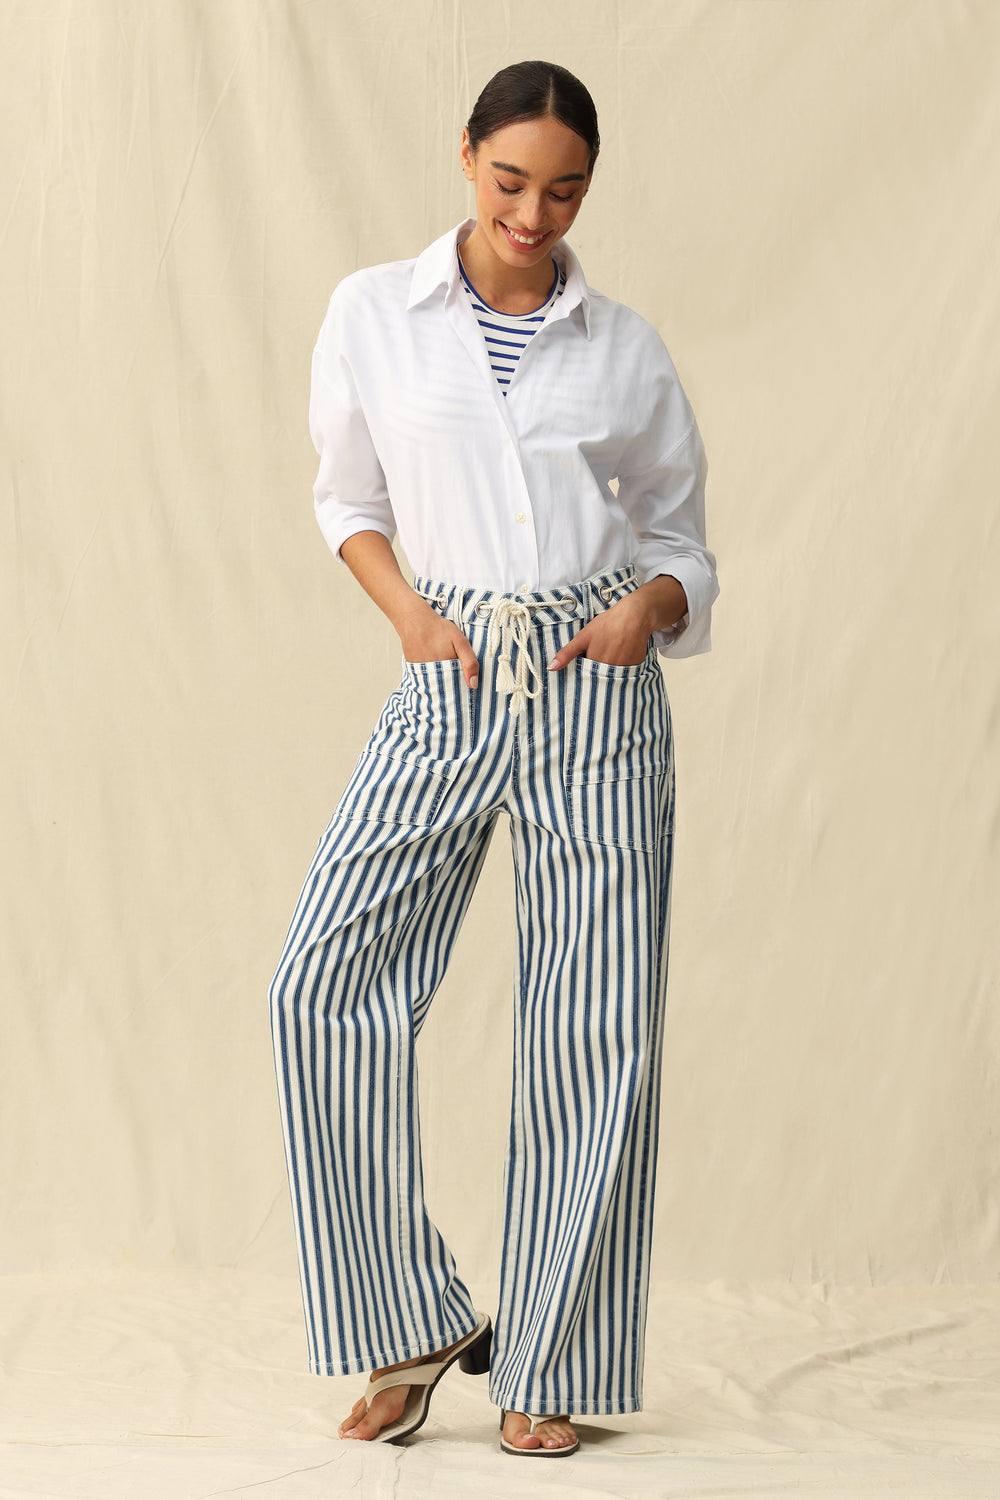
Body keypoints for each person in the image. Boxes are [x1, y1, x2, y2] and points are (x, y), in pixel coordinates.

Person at [268, 59, 719, 1459]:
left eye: (565, 188)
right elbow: (348, 494)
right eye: (512, 179)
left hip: (595, 681)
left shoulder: (623, 346)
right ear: (466, 156)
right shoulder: (373, 313)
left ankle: (552, 1361)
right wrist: (410, 616)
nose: (535, 213)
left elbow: (681, 542)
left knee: (594, 1028)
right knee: (320, 983)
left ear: (591, 187)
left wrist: (645, 612)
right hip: (451, 663)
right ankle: (412, 1315)